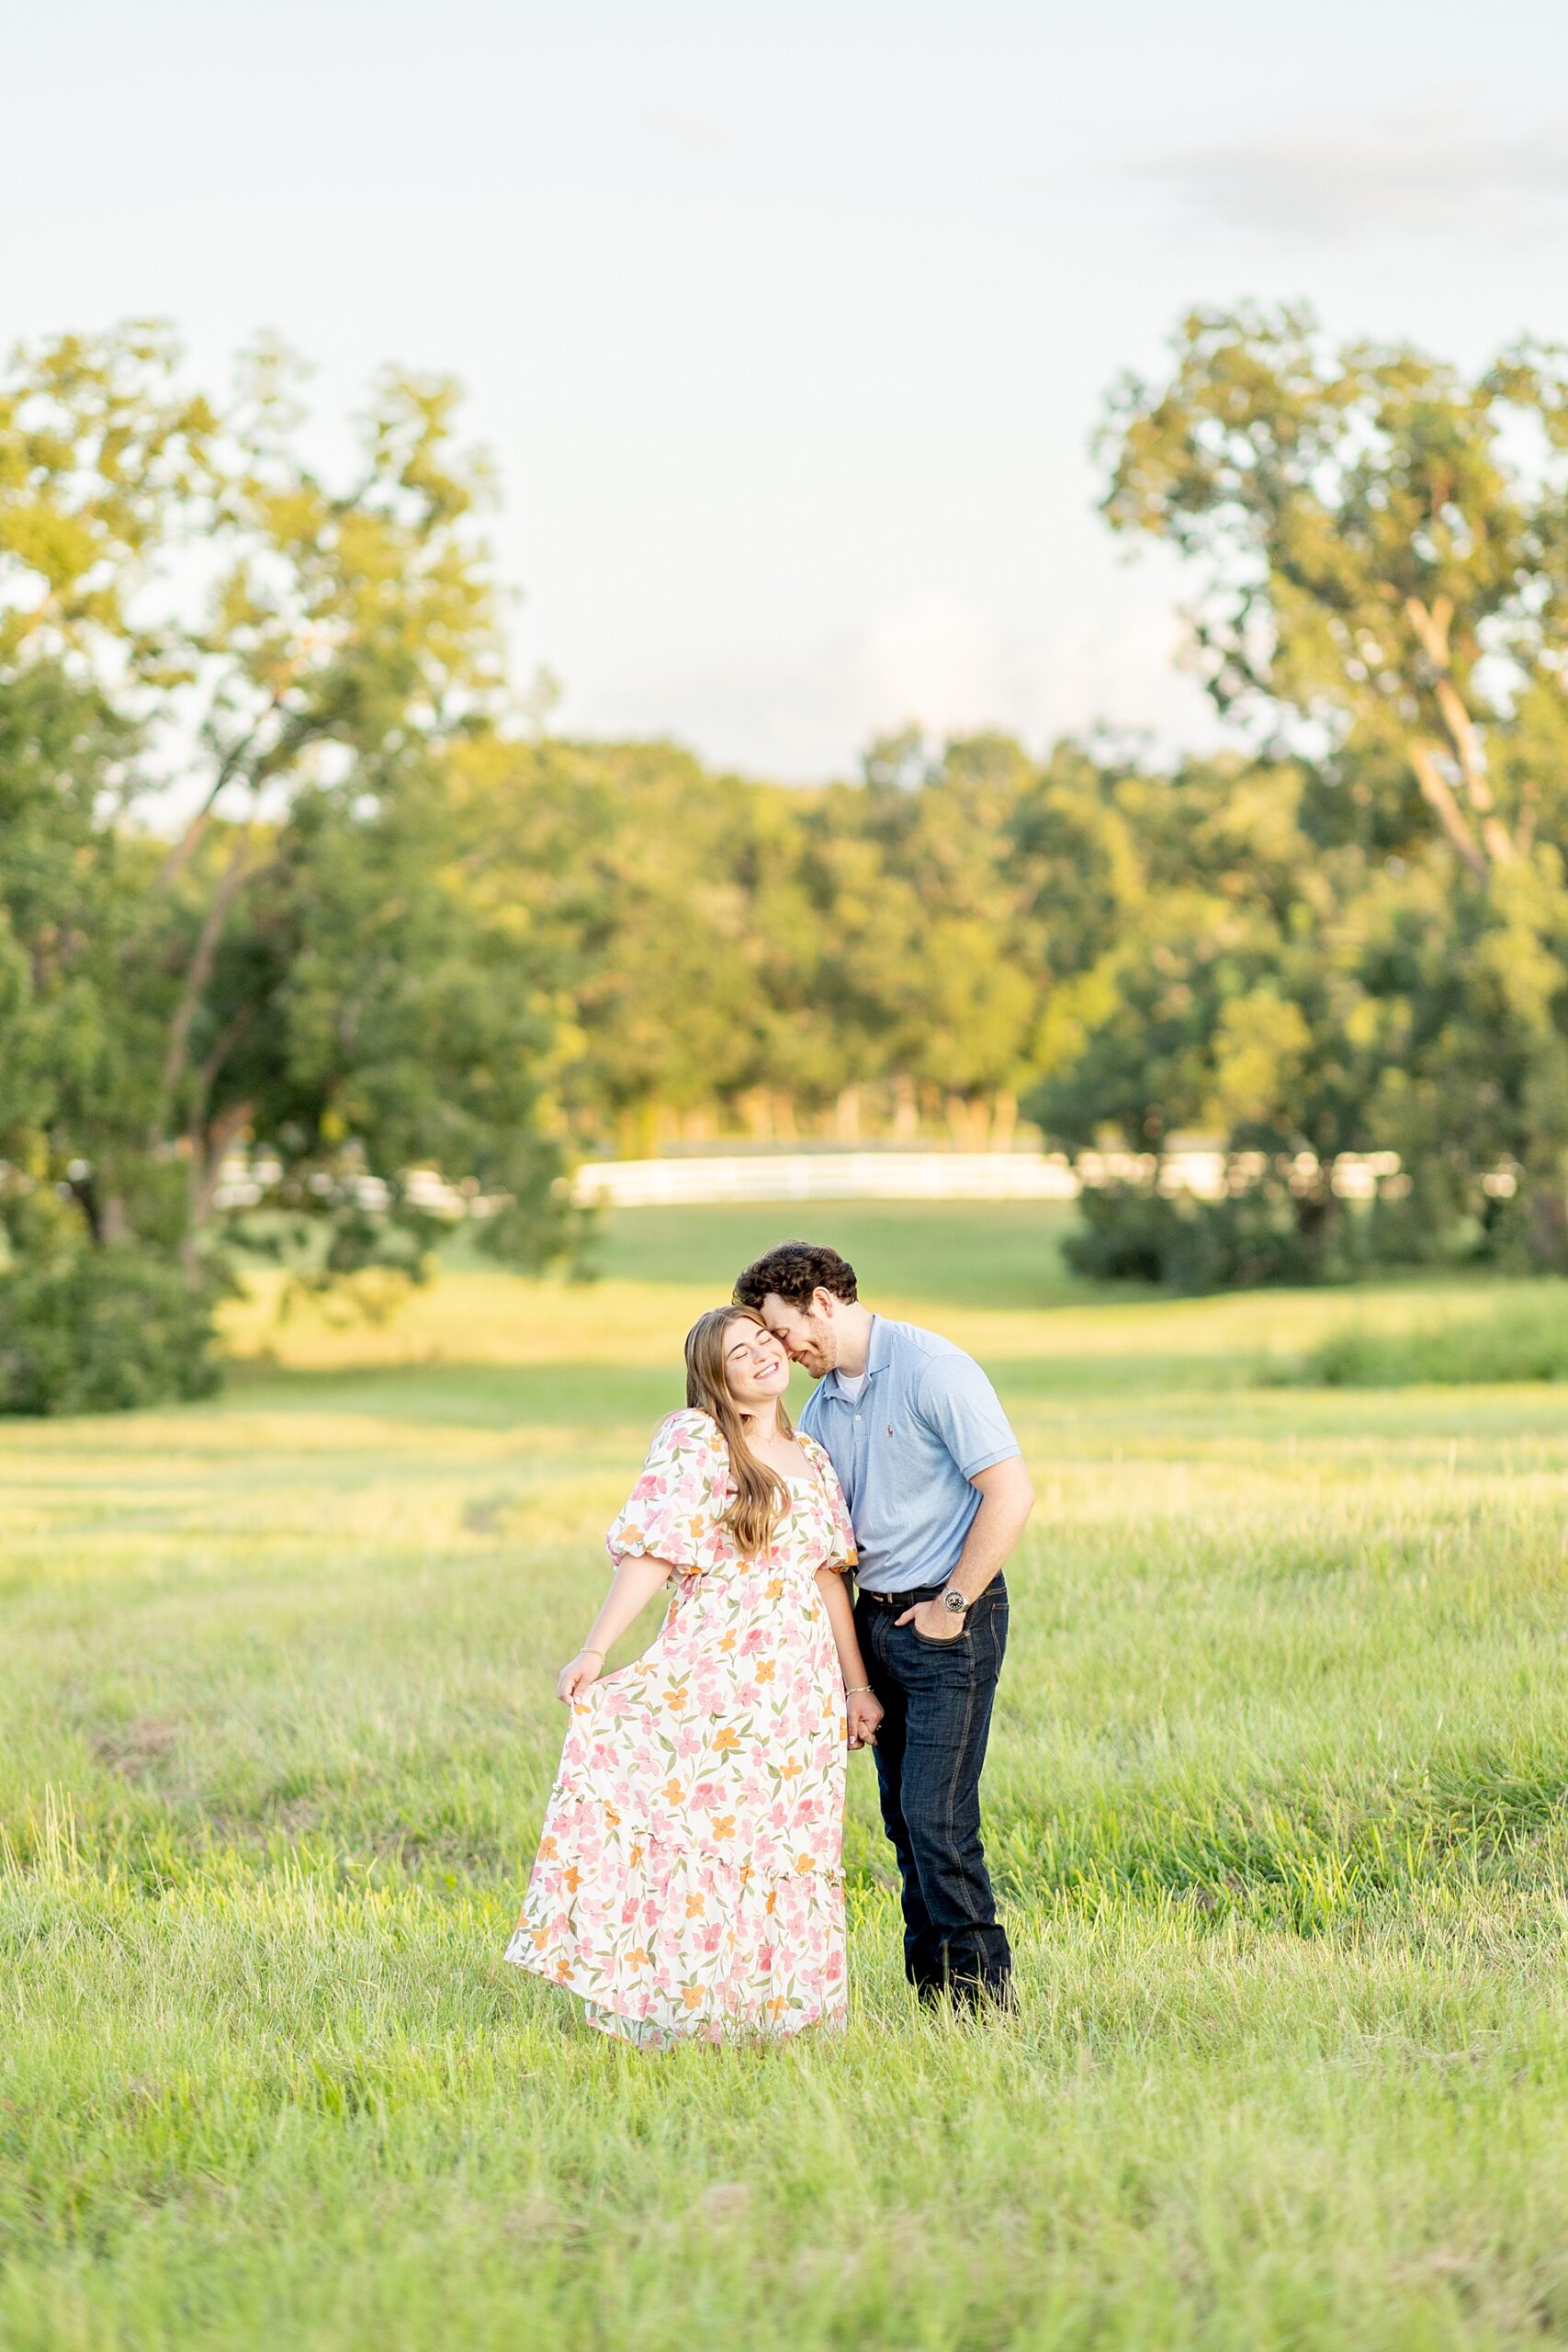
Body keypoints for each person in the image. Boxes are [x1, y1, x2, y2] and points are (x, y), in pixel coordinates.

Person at [505, 1304, 882, 2047]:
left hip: (797, 1688)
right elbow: (653, 1549)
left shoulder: (811, 1450)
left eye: (764, 1341)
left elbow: (828, 1579)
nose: (761, 1356)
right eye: (739, 1353)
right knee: (708, 1830)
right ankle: (689, 2010)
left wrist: (855, 1686)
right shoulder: (697, 1440)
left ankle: (776, 2014)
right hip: (715, 1668)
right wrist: (595, 1650)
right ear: (716, 1376)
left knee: (785, 1841)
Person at [735, 1240, 1033, 2009]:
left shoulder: (935, 1370)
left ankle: (984, 2006)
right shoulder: (823, 1403)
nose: (782, 1349)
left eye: (783, 1330)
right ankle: (932, 1999)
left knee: (937, 1819)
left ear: (822, 1302)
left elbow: (1010, 1493)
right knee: (902, 1822)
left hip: (949, 1620)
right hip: (873, 1625)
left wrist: (952, 1608)